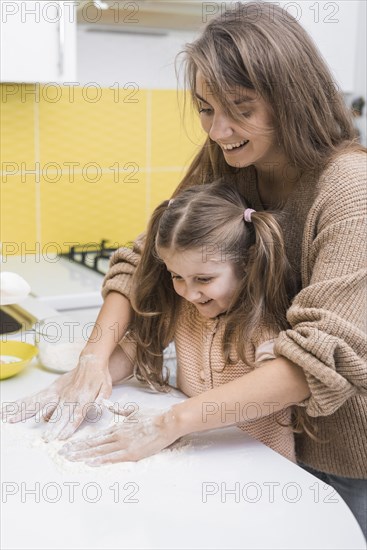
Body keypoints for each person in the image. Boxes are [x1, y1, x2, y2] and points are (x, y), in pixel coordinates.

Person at [2, 1, 366, 536]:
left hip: (339, 452)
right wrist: (94, 359)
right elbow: (144, 259)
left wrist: (169, 423)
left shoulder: (350, 189)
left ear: (291, 96)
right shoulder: (230, 157)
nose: (218, 131)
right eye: (204, 108)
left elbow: (319, 359)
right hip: (246, 432)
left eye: (240, 107)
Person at [60, 182, 300, 464]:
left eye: (204, 279)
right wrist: (82, 382)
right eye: (177, 276)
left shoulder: (260, 323)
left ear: (246, 264)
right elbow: (135, 347)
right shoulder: (185, 309)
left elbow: (273, 388)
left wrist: (168, 423)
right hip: (202, 458)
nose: (189, 292)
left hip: (259, 465)